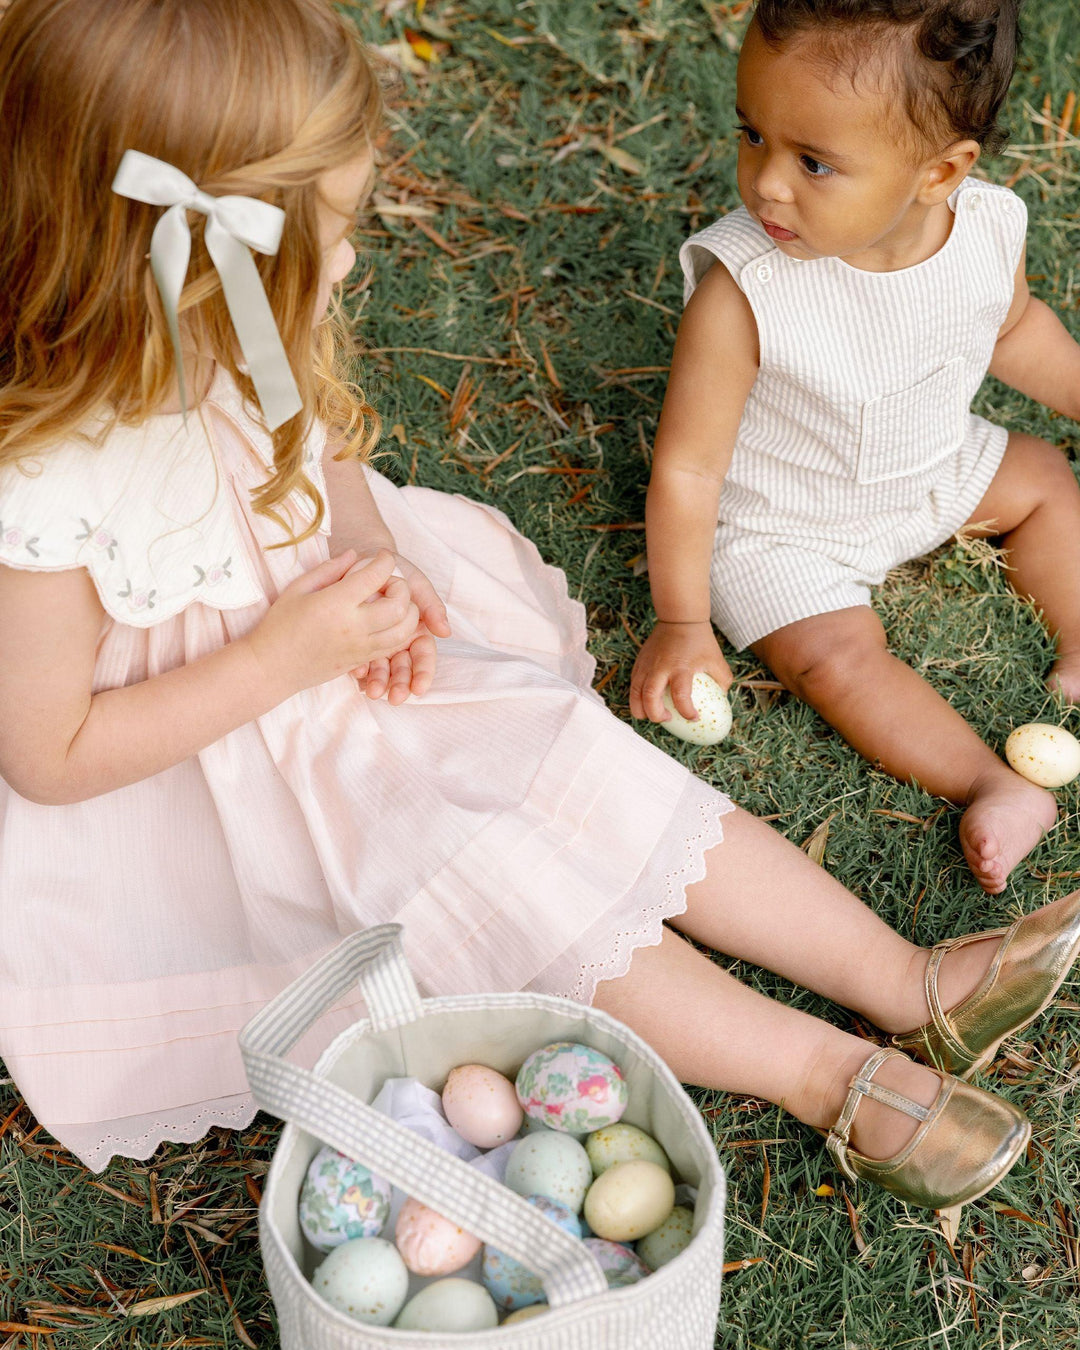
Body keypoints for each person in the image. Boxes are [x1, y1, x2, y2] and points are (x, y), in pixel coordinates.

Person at [0, 0, 1076, 1218]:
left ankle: (911, 980)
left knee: (573, 765)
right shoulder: (48, 479)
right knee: (483, 871)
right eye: (338, 231)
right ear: (191, 253)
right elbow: (49, 754)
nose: (350, 262)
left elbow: (318, 452)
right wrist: (279, 660)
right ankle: (832, 1076)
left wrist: (367, 560)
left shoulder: (226, 314)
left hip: (328, 653)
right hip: (215, 773)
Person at [631, 0, 1080, 898]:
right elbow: (688, 470)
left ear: (940, 173)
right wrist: (682, 624)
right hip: (783, 527)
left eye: (814, 162)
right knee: (831, 657)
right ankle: (986, 782)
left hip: (932, 469)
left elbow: (1015, 328)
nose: (765, 185)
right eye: (752, 135)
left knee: (1041, 475)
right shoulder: (744, 289)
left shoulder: (988, 228)